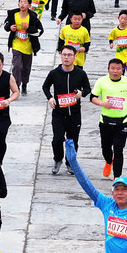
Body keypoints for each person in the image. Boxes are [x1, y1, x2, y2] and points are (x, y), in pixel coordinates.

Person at [42, 45, 91, 175]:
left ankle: (70, 163)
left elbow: (88, 89)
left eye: (69, 55)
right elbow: (45, 87)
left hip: (74, 114)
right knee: (57, 139)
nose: (66, 57)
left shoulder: (80, 73)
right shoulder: (54, 73)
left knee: (73, 141)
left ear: (75, 57)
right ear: (61, 55)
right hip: (59, 113)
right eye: (64, 54)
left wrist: (82, 93)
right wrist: (50, 98)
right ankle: (57, 159)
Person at [90, 58, 127, 179]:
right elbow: (92, 97)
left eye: (118, 69)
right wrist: (103, 103)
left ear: (122, 70)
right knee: (106, 149)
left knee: (119, 150)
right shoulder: (101, 81)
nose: (115, 71)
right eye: (112, 68)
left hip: (122, 123)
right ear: (108, 69)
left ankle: (117, 177)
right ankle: (108, 161)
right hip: (105, 122)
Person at [4, 0, 44, 95]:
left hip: (28, 46)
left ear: (29, 5)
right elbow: (6, 25)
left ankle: (24, 83)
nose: (22, 4)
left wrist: (28, 28)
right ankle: (16, 87)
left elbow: (39, 32)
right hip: (16, 44)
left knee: (26, 68)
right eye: (21, 2)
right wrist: (10, 28)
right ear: (18, 4)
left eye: (25, 2)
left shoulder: (33, 17)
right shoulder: (13, 14)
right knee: (17, 66)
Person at [108, 10, 127, 77]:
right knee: (121, 68)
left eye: (125, 19)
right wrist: (111, 43)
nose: (123, 20)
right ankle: (123, 78)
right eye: (121, 18)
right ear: (118, 18)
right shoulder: (115, 30)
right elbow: (111, 38)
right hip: (120, 53)